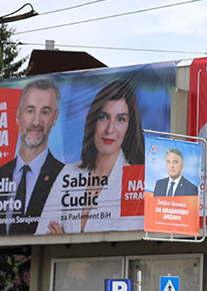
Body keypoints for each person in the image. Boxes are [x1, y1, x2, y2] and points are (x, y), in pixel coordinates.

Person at [39, 79, 146, 234]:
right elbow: (41, 233)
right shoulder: (68, 173)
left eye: (120, 119)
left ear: (129, 127)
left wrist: (64, 243)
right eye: (104, 117)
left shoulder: (136, 181)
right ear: (93, 120)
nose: (110, 129)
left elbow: (123, 243)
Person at [0, 77, 65, 236]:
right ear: (18, 116)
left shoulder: (64, 176)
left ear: (55, 117)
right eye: (30, 111)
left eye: (45, 112)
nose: (36, 122)